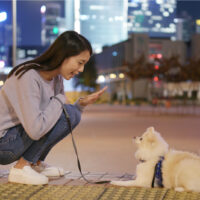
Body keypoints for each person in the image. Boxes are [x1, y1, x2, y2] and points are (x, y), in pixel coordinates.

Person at [0, 30, 107, 185]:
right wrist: (59, 99)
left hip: (16, 137)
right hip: (4, 143)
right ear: (64, 56)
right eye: (80, 62)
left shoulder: (56, 78)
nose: (81, 69)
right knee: (66, 113)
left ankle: (34, 163)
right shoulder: (28, 76)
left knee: (73, 113)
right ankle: (21, 168)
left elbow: (55, 112)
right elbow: (36, 129)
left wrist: (79, 105)